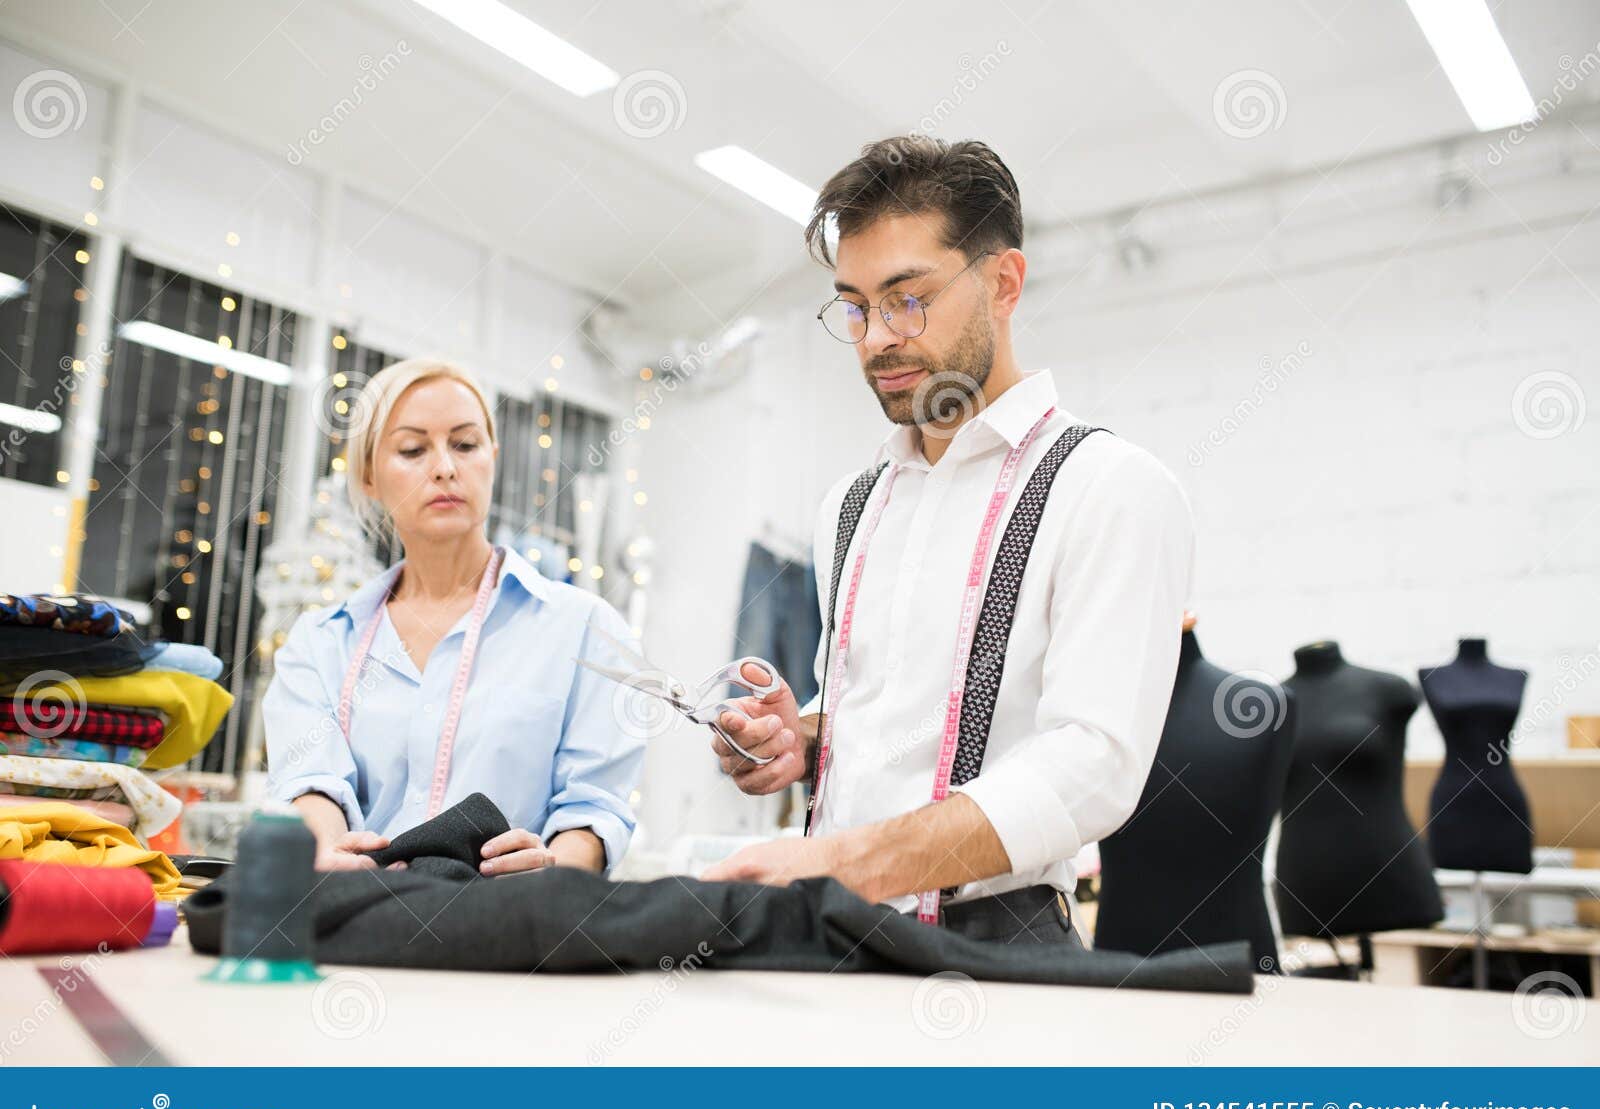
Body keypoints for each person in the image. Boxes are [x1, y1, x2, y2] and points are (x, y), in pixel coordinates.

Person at [703, 137, 1194, 946]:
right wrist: (804, 738)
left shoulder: (1111, 488)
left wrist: (849, 862)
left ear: (1003, 283)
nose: (875, 340)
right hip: (830, 935)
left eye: (907, 298)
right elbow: (887, 712)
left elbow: (1094, 763)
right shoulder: (851, 504)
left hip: (996, 946)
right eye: (855, 307)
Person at [263, 358, 642, 875]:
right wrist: (326, 848)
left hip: (513, 927)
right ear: (369, 476)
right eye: (413, 450)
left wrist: (555, 867)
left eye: (465, 444)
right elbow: (310, 781)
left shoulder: (586, 631)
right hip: (359, 916)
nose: (444, 467)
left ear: (492, 457)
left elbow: (595, 806)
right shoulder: (322, 642)